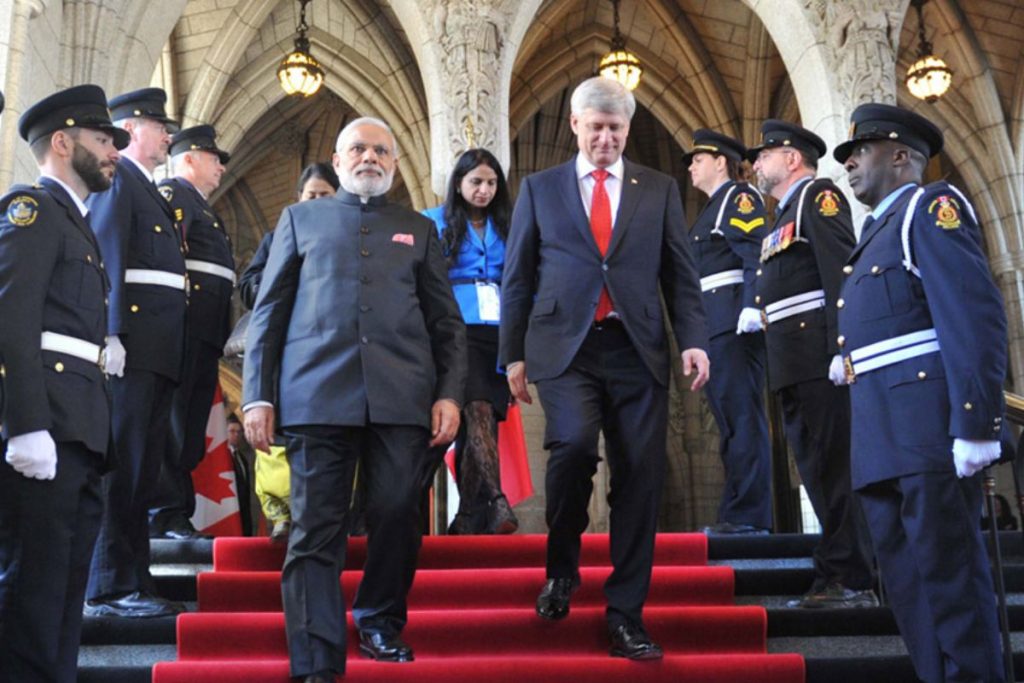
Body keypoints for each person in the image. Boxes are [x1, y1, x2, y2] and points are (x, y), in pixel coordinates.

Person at [242, 117, 466, 682]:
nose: (370, 157)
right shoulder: (299, 219)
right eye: (358, 149)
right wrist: (257, 398)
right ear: (338, 162)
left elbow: (447, 323)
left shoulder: (417, 228)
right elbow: (267, 314)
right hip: (316, 395)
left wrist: (450, 395)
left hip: (402, 397)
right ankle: (316, 659)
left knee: (396, 512)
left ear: (393, 164)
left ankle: (379, 621)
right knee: (316, 527)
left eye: (381, 151)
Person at [499, 76, 709, 661]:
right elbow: (517, 278)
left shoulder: (658, 188)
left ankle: (625, 614)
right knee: (569, 449)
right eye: (596, 128)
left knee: (640, 475)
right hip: (566, 349)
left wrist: (695, 340)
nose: (606, 139)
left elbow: (680, 275)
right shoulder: (540, 189)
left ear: (627, 129)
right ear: (575, 125)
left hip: (637, 348)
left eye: (616, 129)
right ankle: (562, 568)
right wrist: (511, 355)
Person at [834, 102, 1006, 683]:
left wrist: (976, 424)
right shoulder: (874, 232)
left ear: (902, 156)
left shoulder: (930, 208)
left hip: (928, 431)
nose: (851, 163)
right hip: (881, 433)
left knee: (950, 583)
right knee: (909, 589)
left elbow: (972, 318)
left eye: (862, 151)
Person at [0, 84, 126, 683]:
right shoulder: (31, 211)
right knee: (34, 590)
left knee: (64, 593)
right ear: (61, 141)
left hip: (80, 428)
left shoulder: (77, 226)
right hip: (46, 427)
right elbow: (10, 323)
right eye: (103, 140)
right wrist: (24, 424)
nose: (113, 153)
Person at [747, 119, 876, 609]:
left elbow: (840, 272)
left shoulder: (817, 197)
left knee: (834, 470)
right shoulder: (781, 214)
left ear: (792, 158)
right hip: (792, 363)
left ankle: (852, 576)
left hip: (819, 360)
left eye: (765, 154)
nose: (757, 163)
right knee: (818, 473)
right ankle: (835, 567)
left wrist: (843, 348)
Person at [85, 88, 186, 619]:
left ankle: (135, 579)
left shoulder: (149, 188)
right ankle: (108, 584)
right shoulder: (119, 178)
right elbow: (107, 255)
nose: (167, 134)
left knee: (143, 470)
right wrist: (111, 332)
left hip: (157, 351)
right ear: (130, 128)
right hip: (133, 348)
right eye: (158, 124)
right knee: (121, 466)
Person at [238, 162, 340, 544]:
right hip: (286, 354)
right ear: (297, 199)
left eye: (324, 196)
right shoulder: (277, 236)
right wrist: (284, 280)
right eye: (310, 195)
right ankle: (280, 511)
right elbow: (249, 287)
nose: (316, 202)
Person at [423, 148, 518, 535]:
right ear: (458, 184)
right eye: (476, 182)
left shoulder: (510, 224)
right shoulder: (433, 222)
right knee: (477, 407)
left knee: (481, 417)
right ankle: (495, 499)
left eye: (491, 183)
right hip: (454, 329)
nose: (484, 190)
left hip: (497, 331)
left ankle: (467, 517)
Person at [684, 129, 772, 536]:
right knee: (729, 421)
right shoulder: (711, 208)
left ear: (720, 161)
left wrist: (753, 305)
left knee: (743, 419)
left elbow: (754, 250)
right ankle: (737, 510)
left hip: (735, 322)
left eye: (697, 159)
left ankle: (750, 514)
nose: (690, 166)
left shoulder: (739, 197)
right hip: (714, 324)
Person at [149, 125, 234, 539]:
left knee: (189, 422)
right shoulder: (175, 195)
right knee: (176, 420)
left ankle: (176, 507)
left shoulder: (206, 209)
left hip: (203, 331)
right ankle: (166, 510)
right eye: (214, 157)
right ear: (189, 159)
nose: (220, 166)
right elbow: (172, 259)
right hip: (184, 328)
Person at [226, 414, 257, 536]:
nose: (236, 435)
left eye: (239, 432)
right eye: (232, 431)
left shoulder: (242, 458)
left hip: (244, 509)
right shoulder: (223, 459)